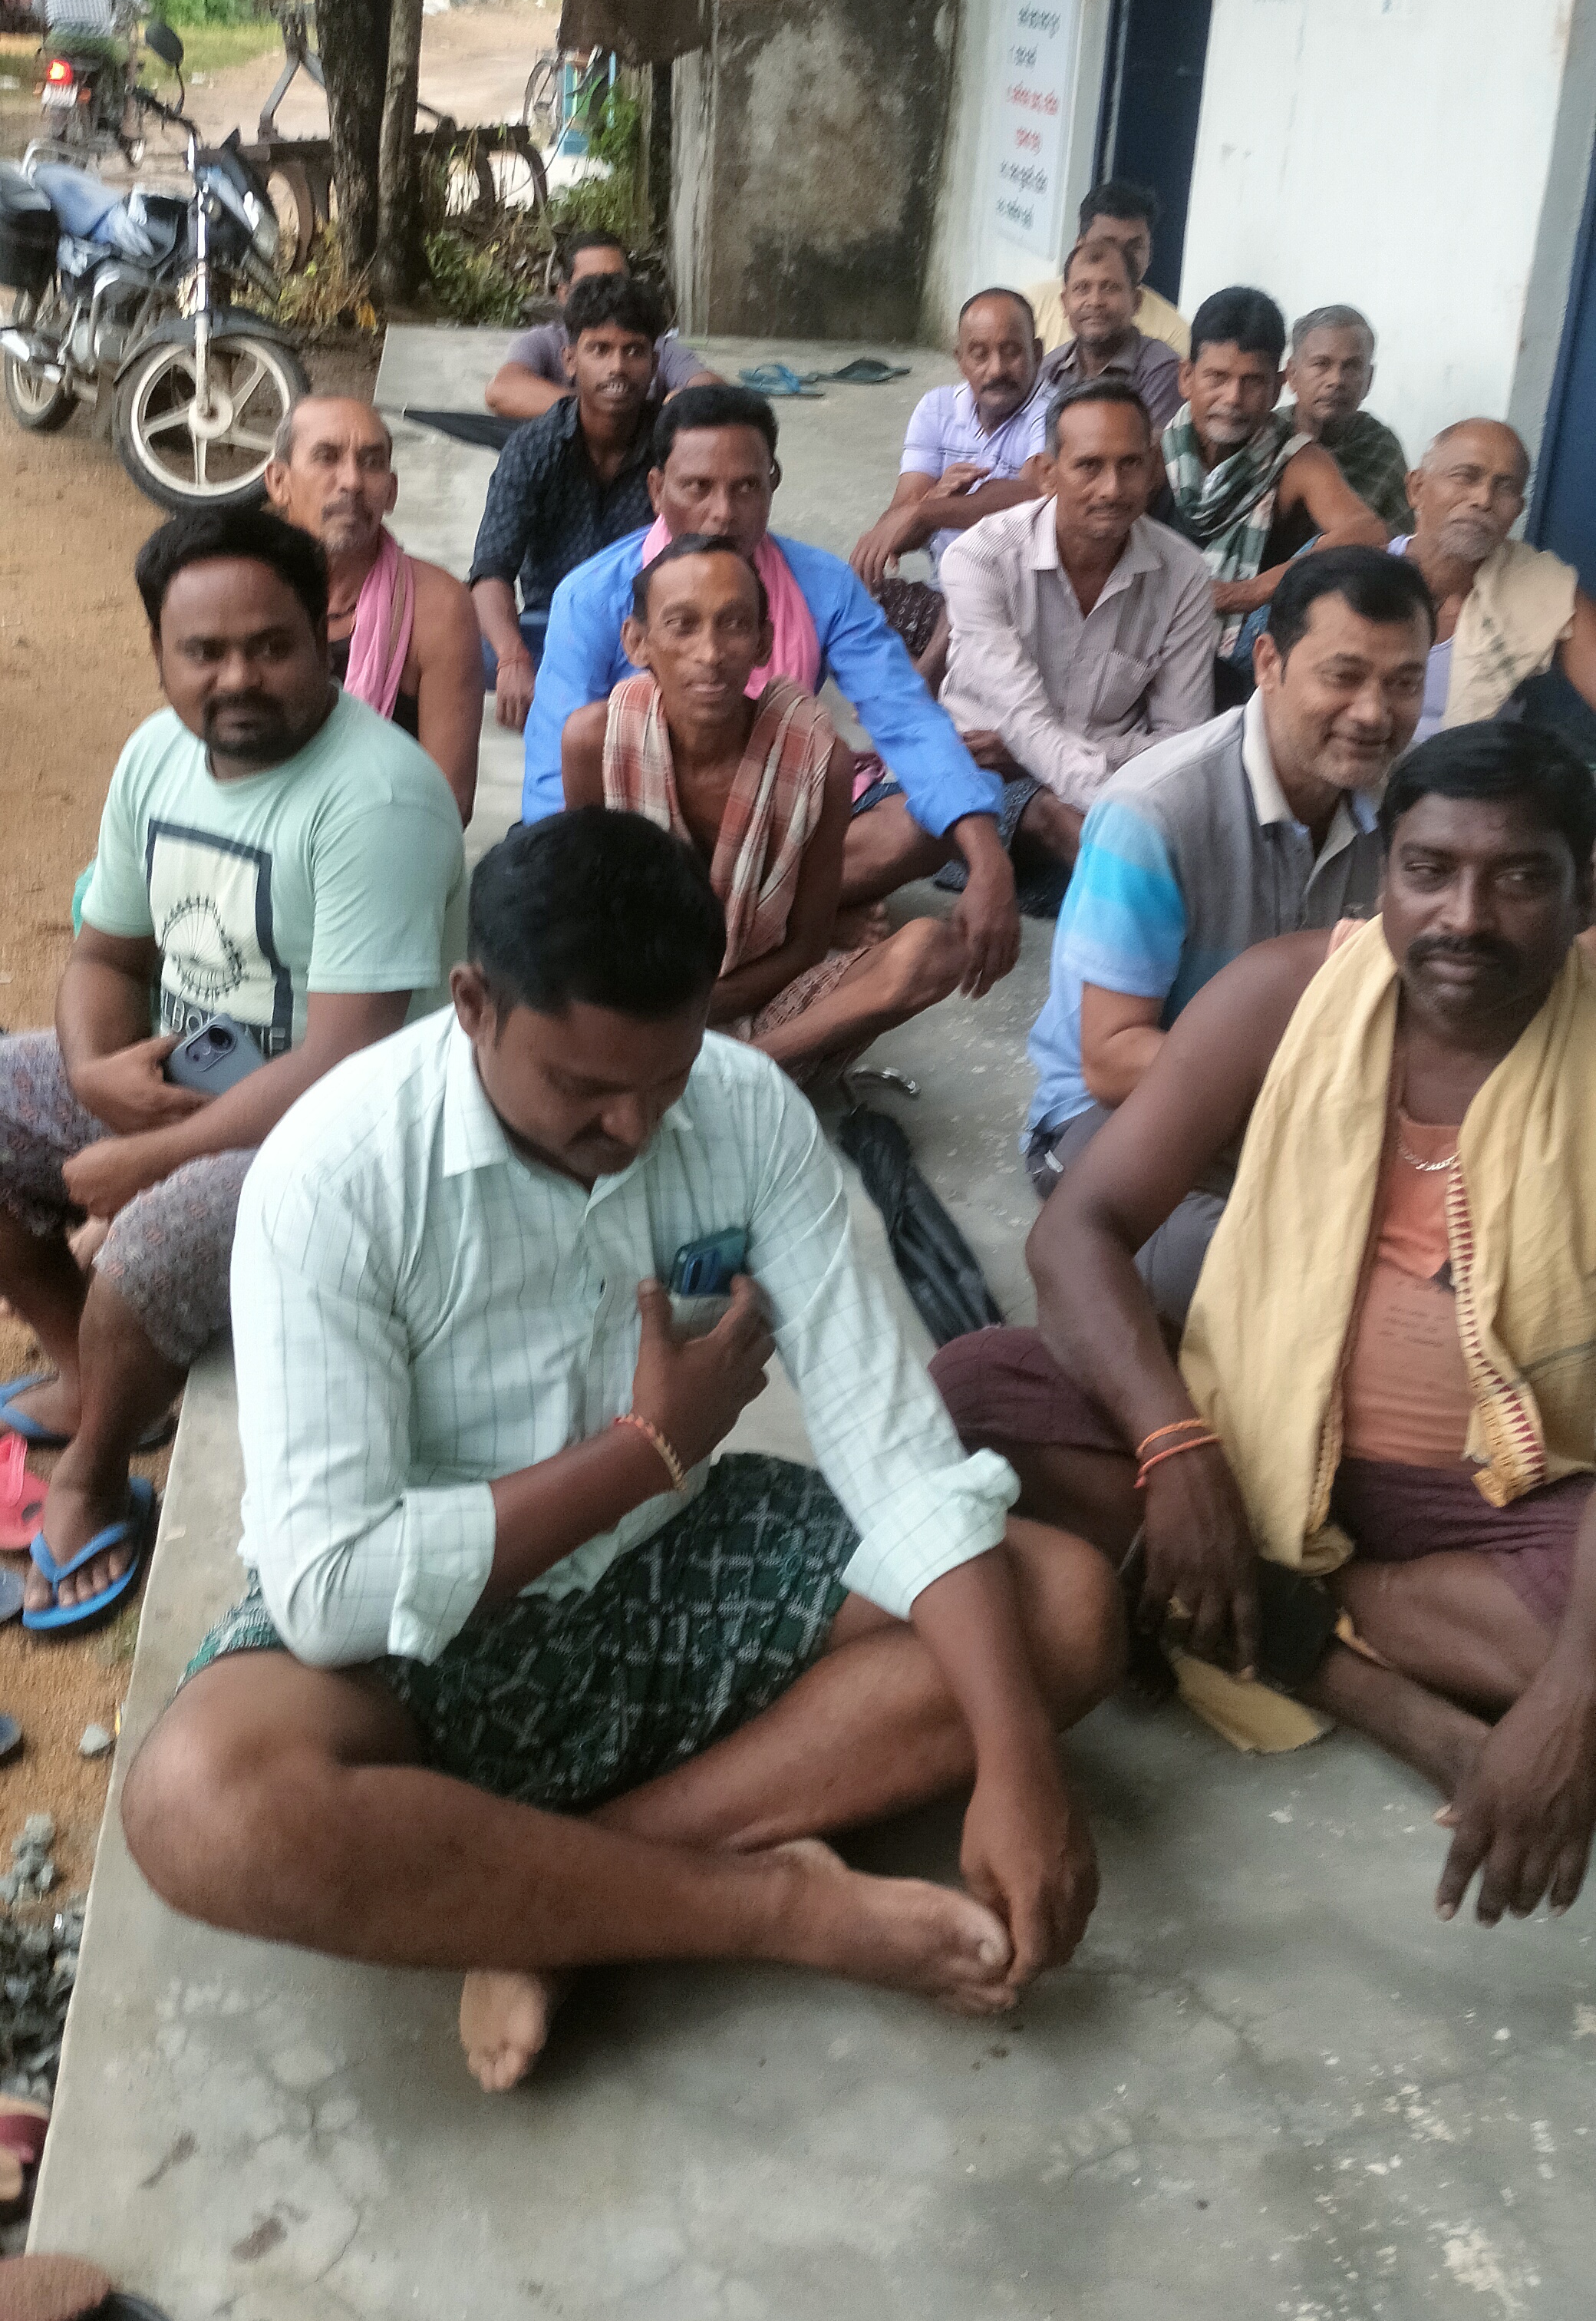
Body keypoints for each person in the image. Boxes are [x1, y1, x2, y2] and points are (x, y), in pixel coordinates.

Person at [122, 811, 1125, 2095]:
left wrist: (1021, 1763)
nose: (636, 1125)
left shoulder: (745, 1110)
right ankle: (771, 1905)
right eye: (585, 1090)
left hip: (675, 1556)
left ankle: (554, 1901)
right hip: (432, 1631)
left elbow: (892, 1442)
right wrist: (643, 1452)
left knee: (1065, 1609)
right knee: (202, 1802)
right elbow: (326, 1591)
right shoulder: (335, 1178)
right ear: (474, 1004)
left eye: (666, 1078)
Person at [932, 725, 1596, 1933]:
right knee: (968, 1393)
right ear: (1385, 873)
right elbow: (1079, 1230)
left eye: (1518, 878)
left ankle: (1258, 1612)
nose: (1465, 917)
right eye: (1430, 871)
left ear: (1582, 889)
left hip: (1500, 1491)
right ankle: (1375, 1683)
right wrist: (1174, 1444)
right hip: (1247, 1431)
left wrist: (1574, 1701)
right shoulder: (1287, 992)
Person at [0, 509, 464, 1631]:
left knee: (153, 1244)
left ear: (323, 640)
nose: (238, 678)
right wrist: (94, 1074)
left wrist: (146, 1160)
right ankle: (88, 1369)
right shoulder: (157, 756)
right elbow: (106, 955)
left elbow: (347, 1058)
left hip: (350, 1128)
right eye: (203, 652)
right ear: (160, 653)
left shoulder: (378, 798)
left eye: (270, 645)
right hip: (191, 1078)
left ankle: (94, 1472)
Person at [1021, 550, 1434, 1315]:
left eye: (1404, 683)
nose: (1374, 713)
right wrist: (1311, 1092)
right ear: (1268, 663)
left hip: (1304, 1119)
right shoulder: (1156, 811)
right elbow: (1111, 1059)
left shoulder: (1410, 814)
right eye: (1343, 676)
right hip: (1121, 1119)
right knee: (1276, 1284)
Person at [523, 387, 1022, 990]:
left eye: (746, 487)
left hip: (780, 832)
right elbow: (555, 771)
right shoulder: (592, 594)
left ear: (773, 483)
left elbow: (906, 717)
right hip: (649, 845)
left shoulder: (824, 585)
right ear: (656, 489)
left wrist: (989, 862)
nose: (723, 513)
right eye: (697, 487)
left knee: (924, 826)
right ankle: (788, 925)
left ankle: (747, 924)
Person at [562, 536, 963, 1076]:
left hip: (762, 1009)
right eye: (682, 625)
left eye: (734, 625)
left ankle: (734, 1074)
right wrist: (642, 1016)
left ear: (763, 642)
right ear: (638, 642)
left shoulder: (817, 759)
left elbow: (805, 946)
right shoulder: (597, 741)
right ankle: (712, 1081)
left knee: (931, 952)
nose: (710, 654)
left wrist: (697, 1015)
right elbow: (588, 921)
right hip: (635, 1003)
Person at [937, 381, 1214, 889]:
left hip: (1095, 776)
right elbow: (1023, 718)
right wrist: (1123, 801)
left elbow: (1181, 740)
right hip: (982, 777)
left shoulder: (1185, 576)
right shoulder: (980, 559)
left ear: (1154, 469)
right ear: (1048, 474)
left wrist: (1036, 747)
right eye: (1089, 466)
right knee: (1085, 833)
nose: (1112, 488)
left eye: (1130, 465)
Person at [264, 394, 483, 821]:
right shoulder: (240, 592)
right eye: (326, 457)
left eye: (371, 463)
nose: (352, 481)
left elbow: (448, 804)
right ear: (278, 481)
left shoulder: (437, 606)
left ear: (392, 491)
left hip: (380, 839)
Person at [1160, 286, 1392, 678]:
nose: (1233, 398)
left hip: (1242, 664)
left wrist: (1243, 593)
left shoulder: (1296, 460)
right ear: (1186, 377)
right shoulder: (1154, 450)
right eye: (1217, 377)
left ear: (1277, 387)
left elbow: (1368, 531)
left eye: (1252, 381)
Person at [469, 272, 664, 730]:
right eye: (600, 350)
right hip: (550, 629)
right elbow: (491, 570)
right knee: (448, 644)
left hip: (650, 636)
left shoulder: (674, 446)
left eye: (634, 351)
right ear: (570, 360)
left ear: (654, 363)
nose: (617, 367)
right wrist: (512, 658)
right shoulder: (533, 448)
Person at [849, 292, 1053, 686]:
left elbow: (1031, 497)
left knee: (978, 579)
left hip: (1019, 607)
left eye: (1012, 352)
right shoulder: (937, 409)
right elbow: (896, 529)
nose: (996, 369)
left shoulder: (1052, 412)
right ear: (960, 360)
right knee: (844, 606)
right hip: (941, 600)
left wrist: (928, 512)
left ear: (1038, 353)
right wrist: (930, 500)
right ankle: (933, 684)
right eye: (980, 354)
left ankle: (923, 684)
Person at [1392, 418, 1596, 739]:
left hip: (1470, 767)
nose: (1484, 499)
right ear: (1416, 489)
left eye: (1506, 487)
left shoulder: (1541, 588)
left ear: (1518, 510)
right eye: (1466, 476)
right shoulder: (1356, 575)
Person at [484, 232, 719, 425]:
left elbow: (710, 389)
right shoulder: (545, 342)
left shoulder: (655, 346)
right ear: (564, 294)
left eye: (615, 281)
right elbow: (503, 391)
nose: (604, 293)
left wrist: (685, 401)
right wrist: (609, 408)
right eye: (590, 284)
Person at [1034, 234, 1182, 437]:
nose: (1095, 301)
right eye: (1082, 288)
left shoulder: (1162, 372)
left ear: (1136, 302)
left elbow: (1149, 453)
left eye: (1110, 287)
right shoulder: (1051, 368)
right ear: (1064, 303)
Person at [1284, 306, 1412, 533]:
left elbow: (1397, 543)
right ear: (1292, 374)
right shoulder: (1265, 437)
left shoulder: (1380, 448)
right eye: (1321, 364)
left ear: (1369, 380)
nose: (1336, 380)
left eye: (1352, 367)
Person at [1034, 178, 1191, 363]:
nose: (1120, 257)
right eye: (1107, 244)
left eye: (1134, 247)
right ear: (1079, 247)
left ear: (1150, 253)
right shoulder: (1035, 304)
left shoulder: (1174, 335)